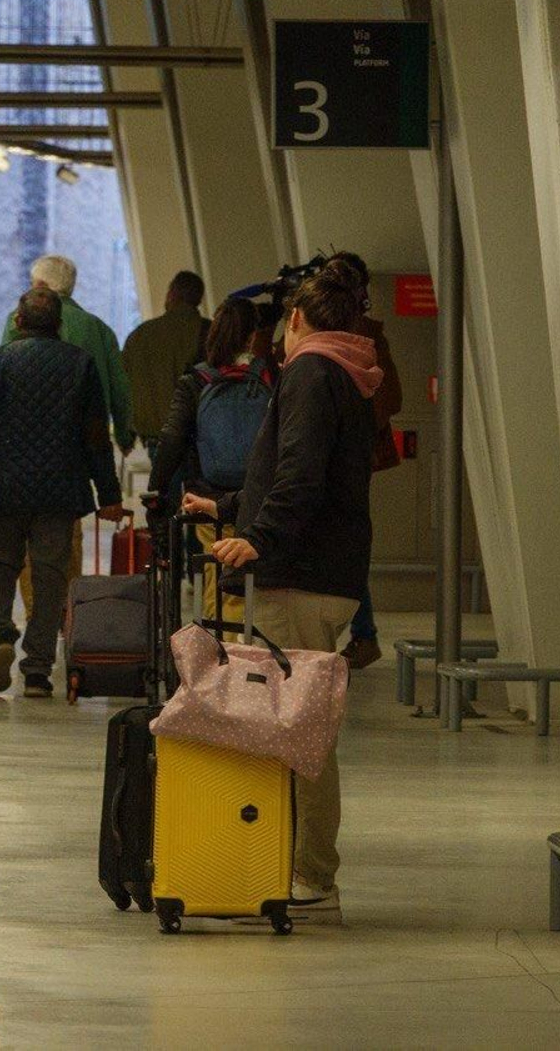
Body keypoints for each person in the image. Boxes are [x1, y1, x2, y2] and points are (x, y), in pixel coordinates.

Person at [182, 258, 383, 924]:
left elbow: (298, 473)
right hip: (329, 571)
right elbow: (302, 472)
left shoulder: (307, 371)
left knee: (297, 728)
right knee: (305, 723)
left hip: (297, 575)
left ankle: (307, 871)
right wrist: (227, 504)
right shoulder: (352, 374)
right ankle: (299, 863)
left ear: (295, 320)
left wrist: (260, 536)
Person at [0, 287, 124, 699]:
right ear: (60, 325)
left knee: (2, 566)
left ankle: (0, 637)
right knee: (49, 577)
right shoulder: (80, 363)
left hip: (2, 488)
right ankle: (38, 670)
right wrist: (109, 494)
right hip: (60, 491)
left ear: (18, 322)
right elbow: (96, 437)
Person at [0, 254, 134, 616]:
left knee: (28, 539)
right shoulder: (99, 329)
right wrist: (123, 432)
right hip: (78, 449)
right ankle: (65, 609)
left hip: (22, 448)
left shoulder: (17, 324)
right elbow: (120, 389)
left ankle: (35, 612)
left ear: (39, 286)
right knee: (66, 532)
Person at [147, 297, 273, 623]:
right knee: (256, 579)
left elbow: (172, 439)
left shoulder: (196, 382)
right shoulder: (271, 379)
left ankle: (221, 656)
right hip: (258, 496)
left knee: (217, 577)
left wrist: (157, 488)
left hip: (208, 496)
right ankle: (249, 653)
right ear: (251, 336)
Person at [325, 251, 404, 669]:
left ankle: (363, 632)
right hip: (334, 453)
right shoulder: (319, 330)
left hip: (348, 456)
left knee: (346, 543)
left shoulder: (367, 336)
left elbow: (391, 398)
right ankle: (359, 631)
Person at [123, 270, 210, 456]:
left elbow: (125, 386)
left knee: (165, 483)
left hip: (156, 435)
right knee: (197, 485)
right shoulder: (209, 332)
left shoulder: (140, 335)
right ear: (199, 299)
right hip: (199, 433)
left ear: (172, 293)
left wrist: (126, 434)